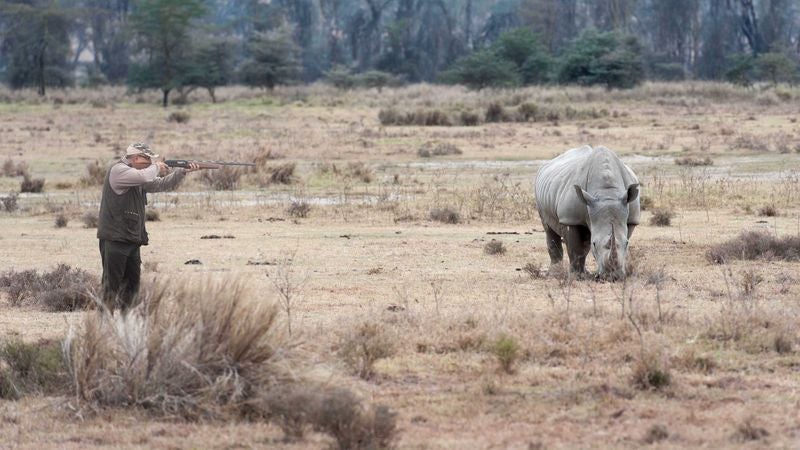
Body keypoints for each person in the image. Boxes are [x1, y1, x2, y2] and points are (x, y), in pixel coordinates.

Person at [97, 142, 199, 313]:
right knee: (110, 287)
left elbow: (160, 184)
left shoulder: (137, 174)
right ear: (136, 158)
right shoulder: (119, 171)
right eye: (148, 158)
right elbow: (146, 177)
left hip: (131, 238)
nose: (151, 161)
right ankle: (101, 328)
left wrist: (182, 172)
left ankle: (126, 326)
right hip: (115, 239)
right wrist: (157, 167)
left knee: (131, 288)